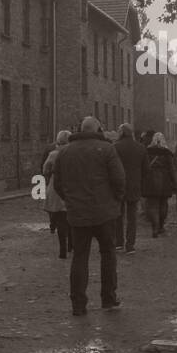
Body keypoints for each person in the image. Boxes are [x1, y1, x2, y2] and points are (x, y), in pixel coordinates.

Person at [52, 116, 125, 315]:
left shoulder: (65, 152)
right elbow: (119, 179)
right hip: (105, 213)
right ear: (98, 129)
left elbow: (57, 183)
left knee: (80, 257)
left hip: (78, 214)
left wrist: (70, 200)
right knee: (108, 255)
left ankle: (78, 304)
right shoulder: (107, 149)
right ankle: (108, 299)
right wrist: (115, 201)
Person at [112, 123, 148, 254]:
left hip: (118, 185)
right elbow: (146, 169)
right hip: (134, 185)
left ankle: (119, 242)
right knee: (132, 216)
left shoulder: (115, 147)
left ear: (121, 133)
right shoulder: (140, 147)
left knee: (118, 215)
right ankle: (130, 245)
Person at [42, 130, 73, 259]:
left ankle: (63, 250)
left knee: (60, 219)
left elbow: (45, 170)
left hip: (56, 189)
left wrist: (50, 177)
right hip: (72, 188)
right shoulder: (73, 153)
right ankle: (72, 244)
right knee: (71, 219)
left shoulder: (53, 155)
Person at [143, 132, 175, 237]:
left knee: (153, 205)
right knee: (163, 204)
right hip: (164, 179)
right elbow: (171, 169)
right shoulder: (167, 153)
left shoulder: (147, 152)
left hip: (151, 180)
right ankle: (161, 226)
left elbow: (144, 167)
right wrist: (174, 182)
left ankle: (154, 227)